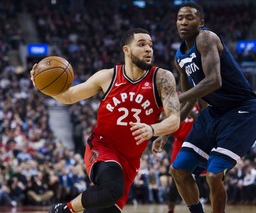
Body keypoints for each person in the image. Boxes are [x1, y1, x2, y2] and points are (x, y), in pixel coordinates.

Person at [31, 28, 180, 213]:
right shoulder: (108, 76)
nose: (148, 49)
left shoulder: (162, 78)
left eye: (150, 45)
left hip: (131, 159)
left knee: (104, 205)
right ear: (126, 50)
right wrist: (42, 85)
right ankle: (63, 209)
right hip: (102, 146)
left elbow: (174, 120)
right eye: (141, 44)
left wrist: (153, 129)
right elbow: (68, 97)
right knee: (112, 189)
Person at [152, 3, 256, 213]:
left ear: (201, 23)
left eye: (189, 18)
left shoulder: (206, 38)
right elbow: (187, 102)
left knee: (213, 176)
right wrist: (165, 132)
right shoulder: (179, 58)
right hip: (213, 112)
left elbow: (214, 81)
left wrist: (176, 97)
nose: (184, 22)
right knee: (178, 170)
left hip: (242, 112)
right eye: (180, 18)